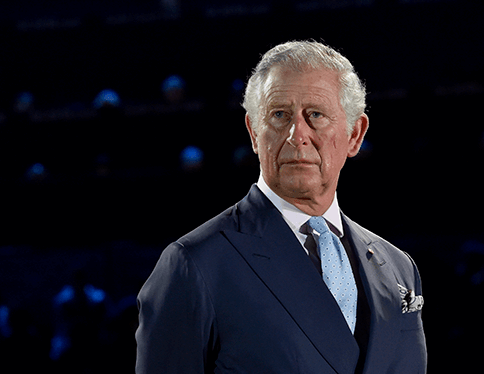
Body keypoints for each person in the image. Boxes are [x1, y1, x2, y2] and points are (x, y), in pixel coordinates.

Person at [135, 40, 427, 374]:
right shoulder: (195, 264)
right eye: (279, 115)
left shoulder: (397, 268)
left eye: (315, 114)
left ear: (354, 135)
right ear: (254, 133)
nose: (296, 134)